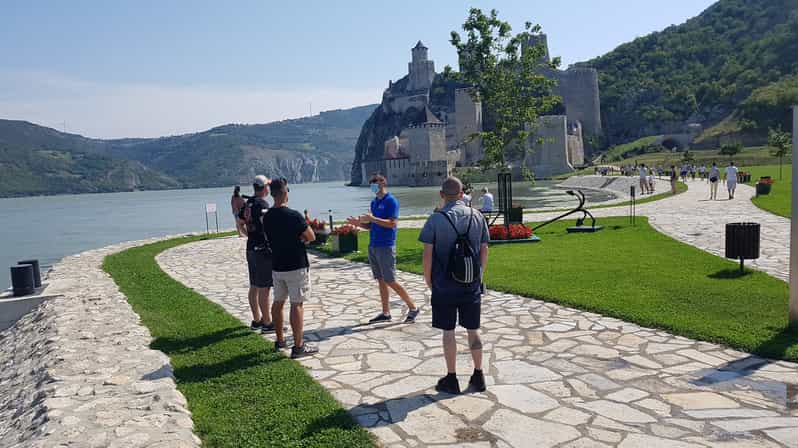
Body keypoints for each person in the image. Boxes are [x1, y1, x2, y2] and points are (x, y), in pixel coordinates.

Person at [419, 176, 489, 395]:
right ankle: (478, 375)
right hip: (471, 284)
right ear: (462, 194)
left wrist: (428, 279)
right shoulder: (477, 216)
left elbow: (428, 254)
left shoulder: (435, 219)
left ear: (441, 195)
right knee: (473, 329)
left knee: (448, 331)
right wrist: (479, 275)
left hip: (444, 284)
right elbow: (485, 249)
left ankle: (451, 378)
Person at [347, 174, 420, 324]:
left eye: (375, 182)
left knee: (390, 280)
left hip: (386, 245)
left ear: (383, 183)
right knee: (380, 280)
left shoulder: (391, 201)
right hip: (373, 245)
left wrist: (373, 219)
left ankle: (413, 307)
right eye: (371, 183)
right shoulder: (374, 202)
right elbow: (371, 226)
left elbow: (392, 223)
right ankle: (385, 312)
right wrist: (358, 223)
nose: (373, 185)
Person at [262, 178, 319, 359]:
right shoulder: (294, 215)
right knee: (297, 304)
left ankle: (279, 340)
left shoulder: (267, 217)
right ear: (285, 192)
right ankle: (298, 346)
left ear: (272, 194)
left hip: (278, 265)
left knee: (278, 302)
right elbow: (310, 237)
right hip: (296, 264)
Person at [239, 175, 275, 332]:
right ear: (264, 187)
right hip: (262, 249)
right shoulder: (262, 204)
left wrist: (248, 234)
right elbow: (268, 225)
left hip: (251, 248)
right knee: (265, 287)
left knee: (254, 285)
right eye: (268, 185)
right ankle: (267, 323)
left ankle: (256, 319)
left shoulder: (248, 204)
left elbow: (240, 222)